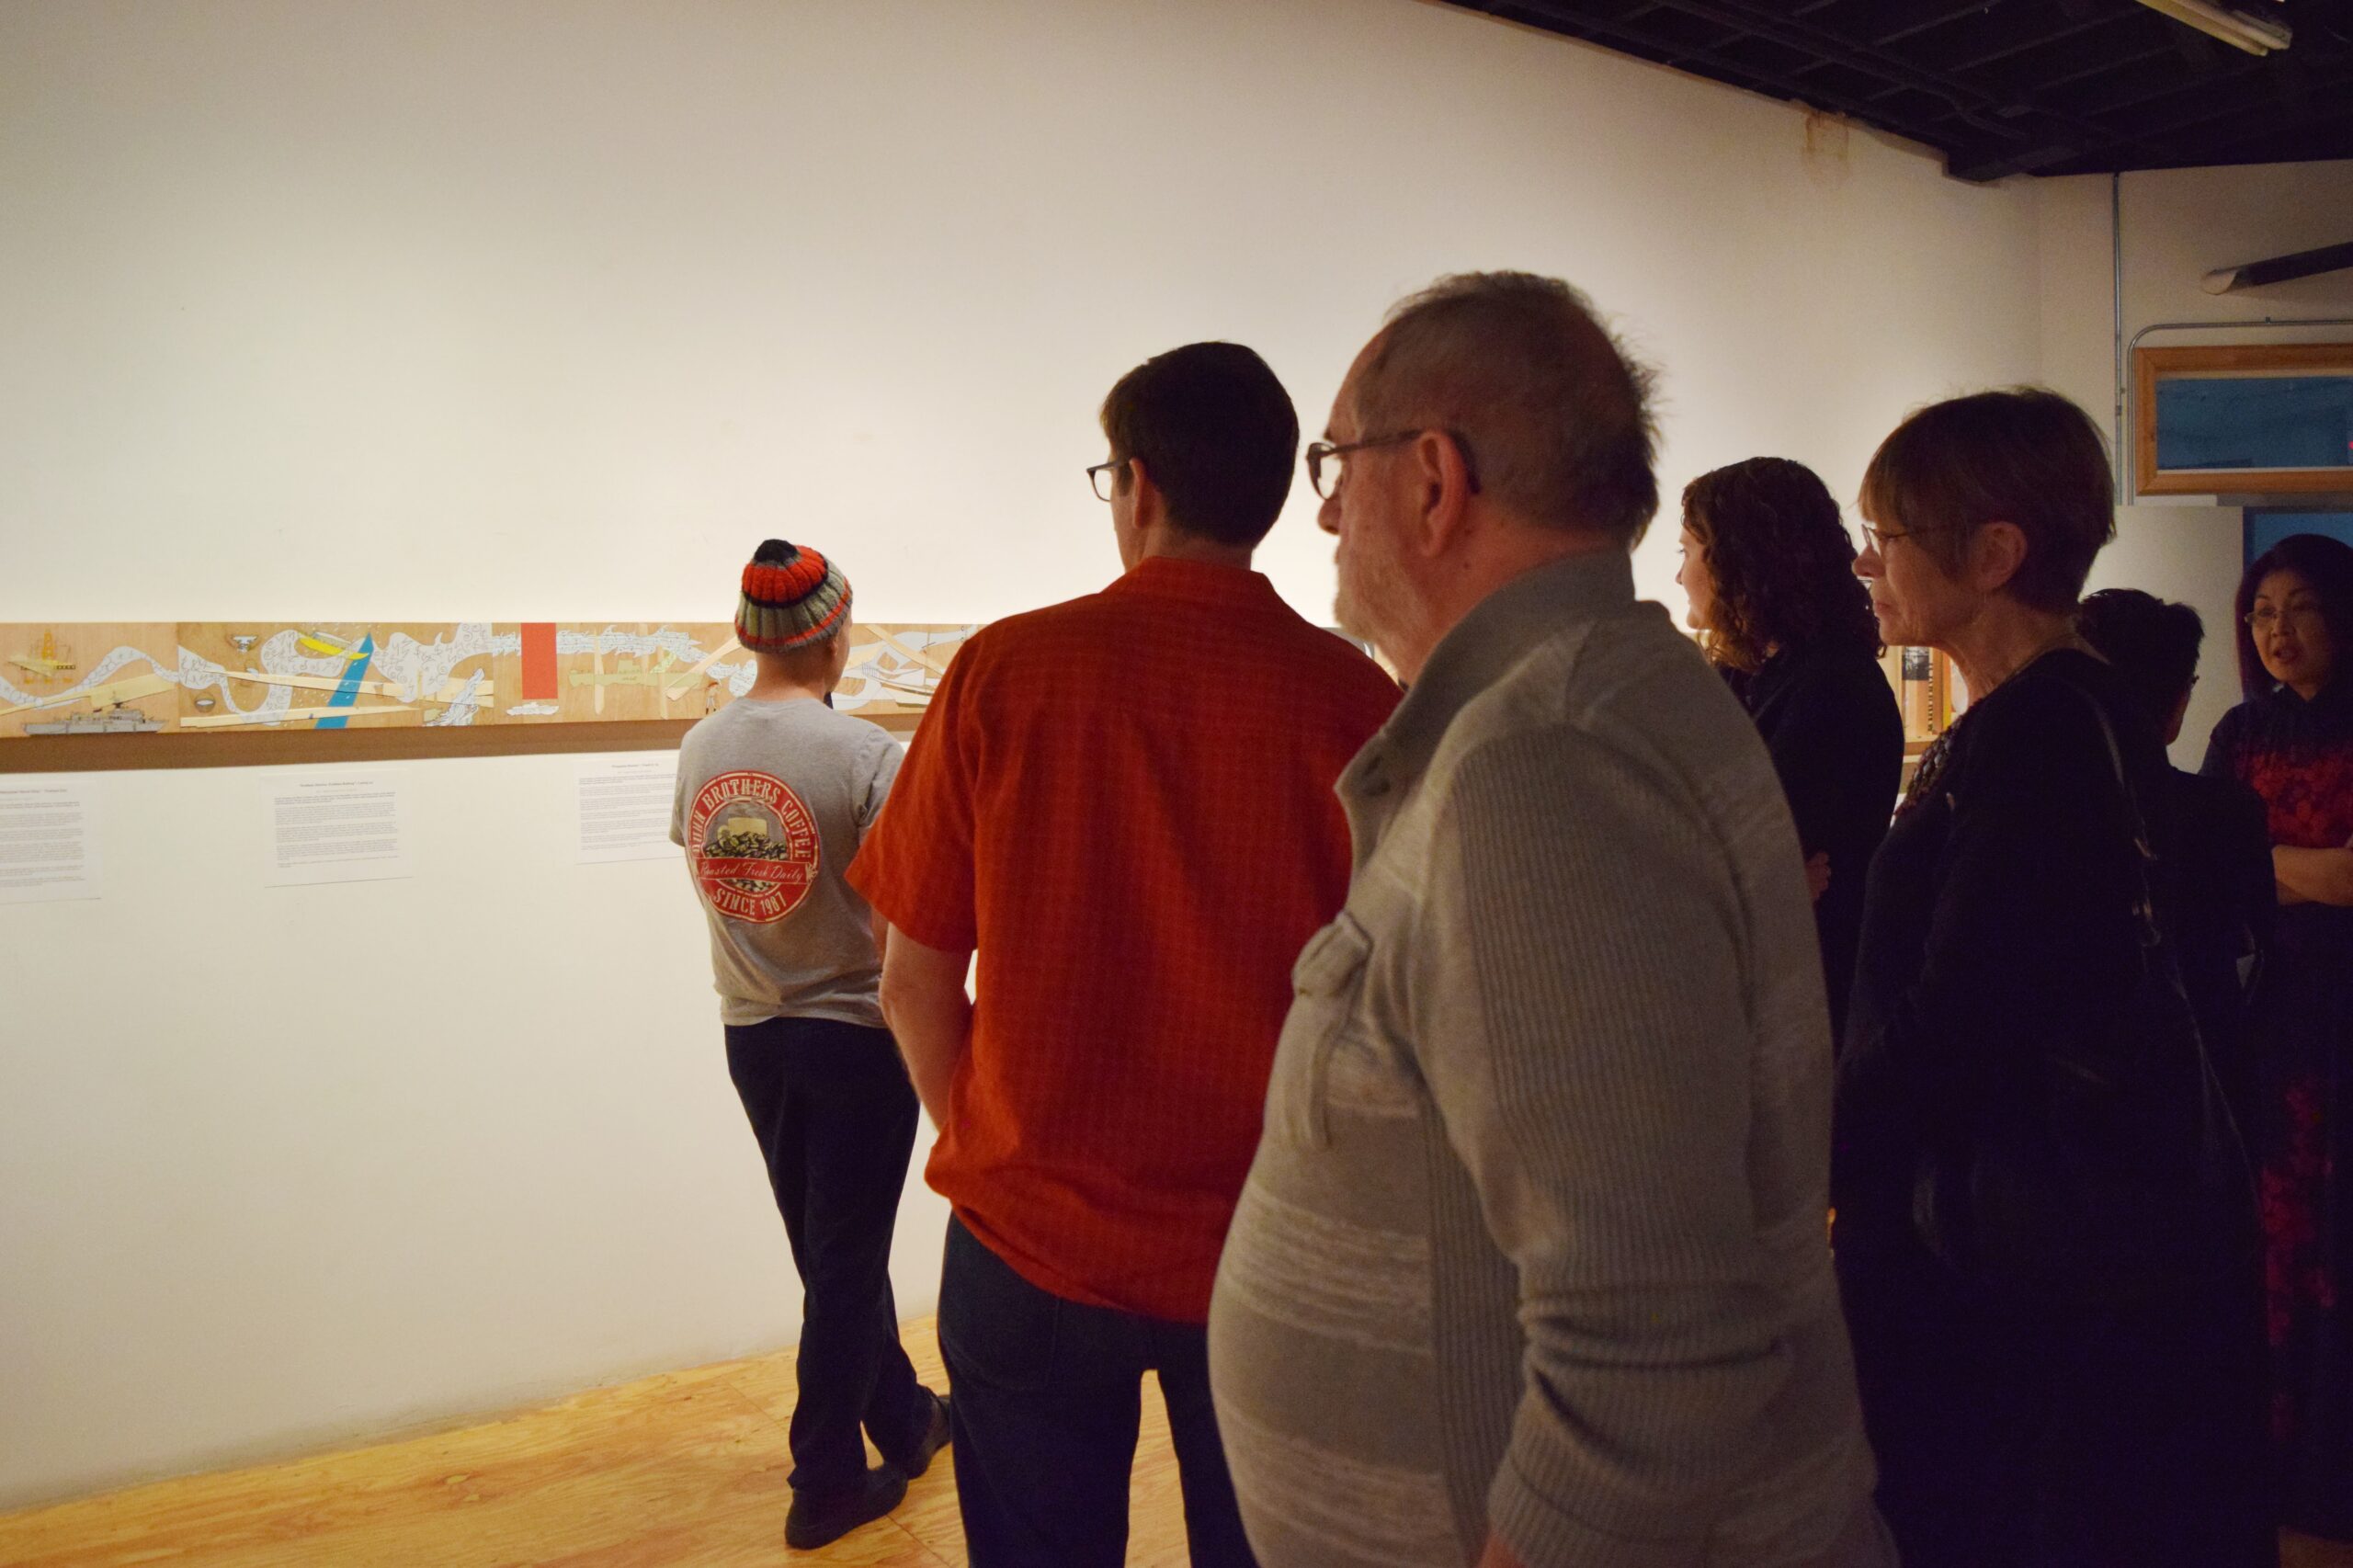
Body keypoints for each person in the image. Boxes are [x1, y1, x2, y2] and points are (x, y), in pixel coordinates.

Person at [1207, 272, 1889, 1568]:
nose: (1326, 513)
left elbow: (1655, 1345)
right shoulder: (1596, 701)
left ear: (1433, 479)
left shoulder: (1544, 762)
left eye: (1335, 466)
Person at [847, 342, 1399, 1568]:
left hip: (1031, 1239)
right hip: (1270, 1244)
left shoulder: (1007, 671)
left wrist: (989, 1139)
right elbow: (1391, 1013)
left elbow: (911, 977)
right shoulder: (1357, 704)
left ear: (1138, 486)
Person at [1835, 391, 2272, 1568]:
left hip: (2019, 1259)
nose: (1866, 562)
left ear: (1992, 553)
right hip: (2036, 1238)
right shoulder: (2057, 716)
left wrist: (1815, 1146)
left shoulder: (2040, 734)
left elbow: (1963, 1011)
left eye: (1886, 533)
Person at [668, 539, 949, 1551]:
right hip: (856, 1040)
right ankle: (823, 1479)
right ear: (832, 635)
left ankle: (903, 1418)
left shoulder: (703, 746)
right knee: (844, 1260)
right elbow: (899, 920)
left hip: (752, 1031)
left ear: (750, 636)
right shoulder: (865, 755)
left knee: (831, 1253)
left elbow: (713, 875)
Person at [2201, 532, 2353, 1549]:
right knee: (2273, 1233)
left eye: (2298, 608)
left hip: (2342, 1011)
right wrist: (2308, 867)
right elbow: (2211, 872)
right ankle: (2276, 1465)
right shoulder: (2241, 730)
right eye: (2260, 611)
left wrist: (2264, 860)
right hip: (2267, 1016)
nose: (2276, 630)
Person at [1676, 458, 1903, 1044]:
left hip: (1809, 1003)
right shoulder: (1746, 672)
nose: (1679, 576)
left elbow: (1745, 854)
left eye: (1687, 551)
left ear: (1737, 559)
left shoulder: (1832, 686)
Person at [2076, 586, 2274, 1125]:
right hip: (2206, 1067)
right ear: (2178, 699)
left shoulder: (2034, 811)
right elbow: (2258, 943)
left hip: (2075, 1088)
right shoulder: (2228, 811)